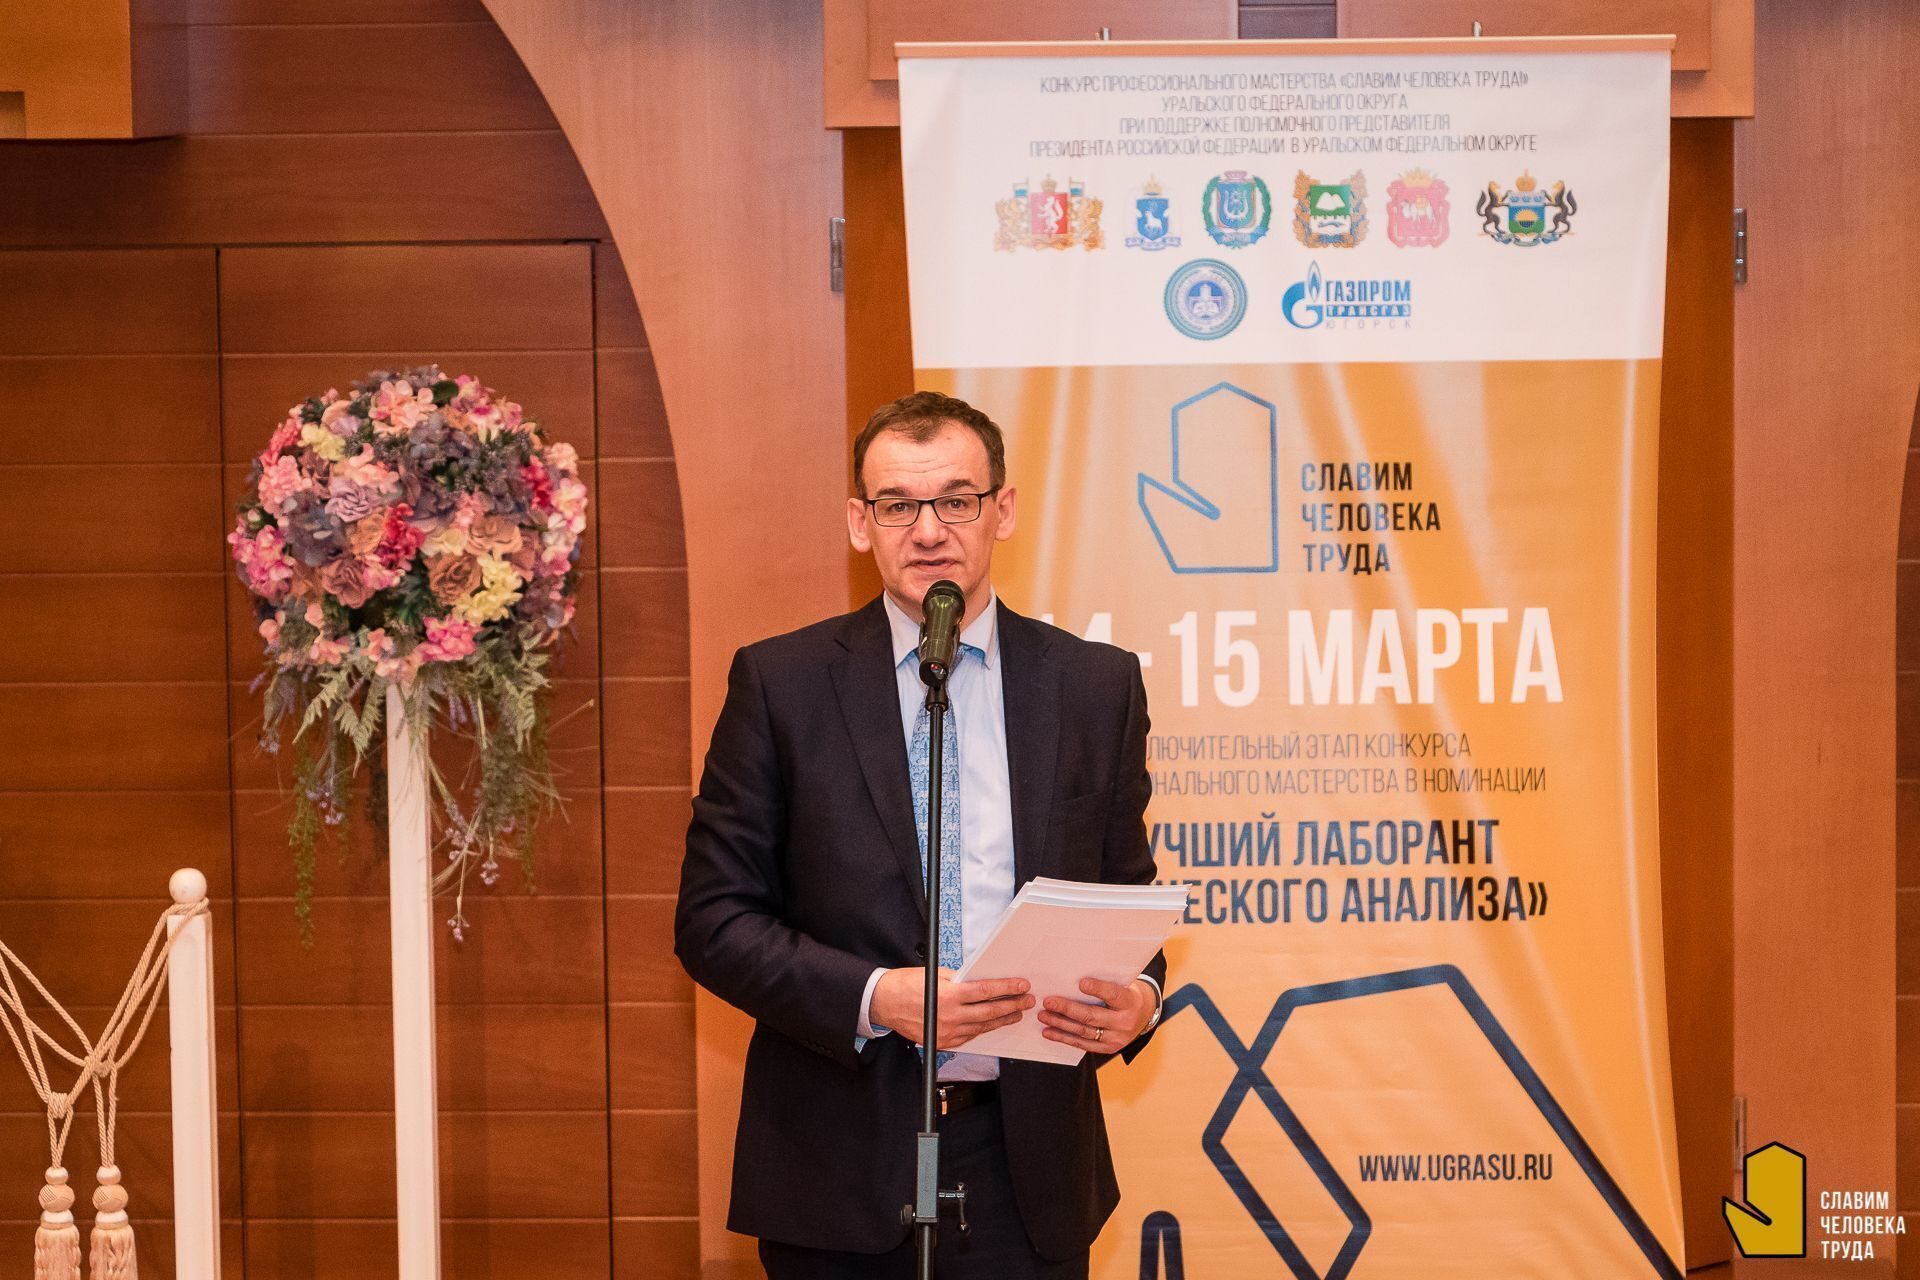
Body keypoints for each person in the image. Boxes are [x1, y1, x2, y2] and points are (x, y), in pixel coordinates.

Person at [675, 391, 1165, 1278]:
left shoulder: (1095, 686)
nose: (929, 530)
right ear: (859, 523)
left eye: (956, 500)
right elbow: (714, 922)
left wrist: (1138, 999)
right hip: (836, 1166)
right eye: (898, 505)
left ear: (1002, 510)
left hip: (1028, 1172)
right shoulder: (781, 685)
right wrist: (878, 997)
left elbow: (1124, 903)